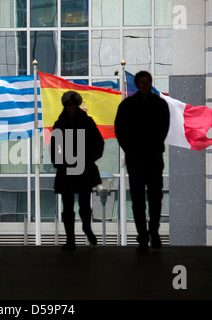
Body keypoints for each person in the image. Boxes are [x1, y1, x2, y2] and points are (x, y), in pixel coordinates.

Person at [114, 71, 170, 252]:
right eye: (142, 82)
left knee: (156, 197)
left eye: (148, 82)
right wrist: (130, 150)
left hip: (154, 158)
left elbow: (164, 128)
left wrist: (153, 145)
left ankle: (153, 232)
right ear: (136, 84)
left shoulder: (160, 105)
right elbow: (120, 130)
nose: (146, 85)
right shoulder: (127, 106)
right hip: (136, 159)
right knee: (138, 200)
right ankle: (143, 237)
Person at [50, 91, 104, 251]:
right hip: (66, 170)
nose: (71, 107)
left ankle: (87, 228)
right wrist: (60, 164)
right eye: (68, 105)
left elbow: (99, 144)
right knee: (67, 207)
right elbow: (54, 149)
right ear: (65, 106)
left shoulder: (87, 122)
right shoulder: (59, 124)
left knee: (84, 205)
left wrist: (89, 159)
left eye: (73, 104)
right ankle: (70, 240)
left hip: (84, 170)